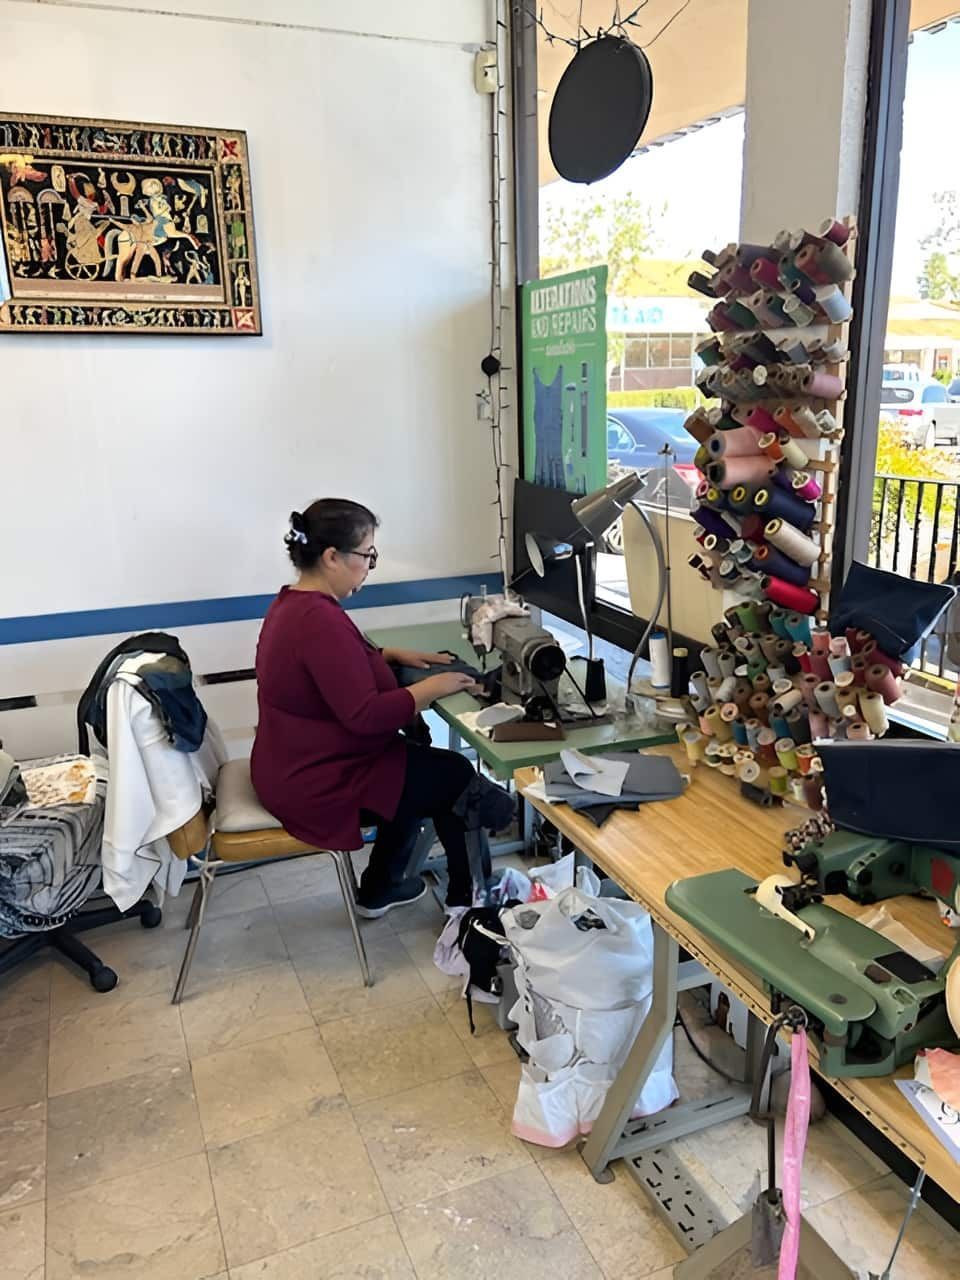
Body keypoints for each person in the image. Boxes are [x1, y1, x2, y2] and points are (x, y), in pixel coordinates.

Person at [251, 498, 481, 916]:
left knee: (417, 766)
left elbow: (329, 670)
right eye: (367, 556)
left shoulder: (295, 604)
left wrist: (388, 655)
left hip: (289, 763)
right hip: (316, 781)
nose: (370, 567)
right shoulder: (318, 621)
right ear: (332, 557)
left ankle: (383, 886)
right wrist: (431, 688)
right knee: (455, 777)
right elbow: (365, 717)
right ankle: (470, 907)